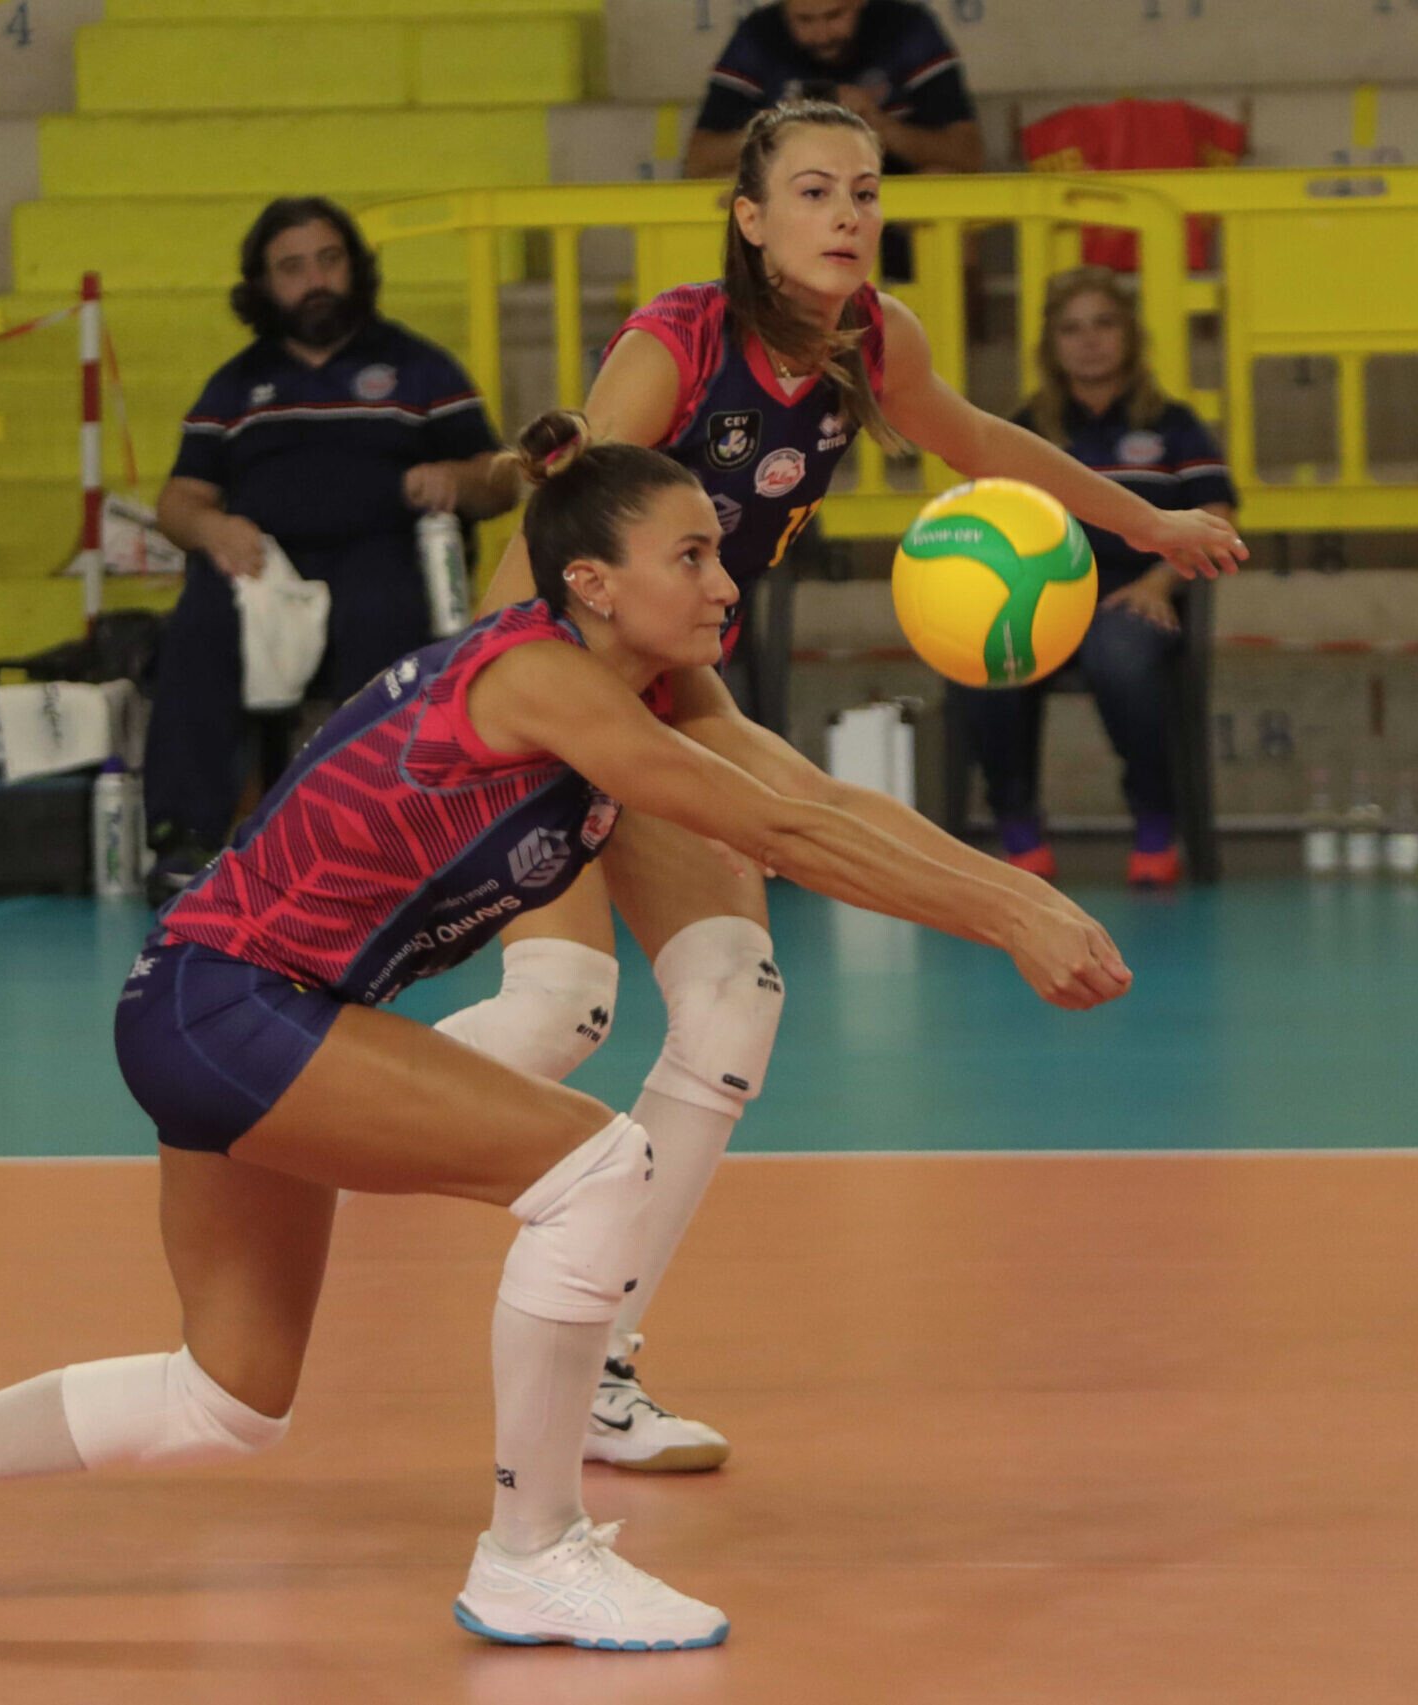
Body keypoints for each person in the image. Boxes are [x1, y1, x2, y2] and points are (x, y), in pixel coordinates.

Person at [0, 409, 1140, 1651]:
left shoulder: (651, 684)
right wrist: (1005, 920)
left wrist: (1020, 895)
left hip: (219, 1008)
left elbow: (820, 802)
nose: (724, 582)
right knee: (601, 1171)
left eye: (720, 554)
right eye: (691, 556)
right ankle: (532, 1551)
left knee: (227, 1401)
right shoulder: (541, 679)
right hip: (227, 1003)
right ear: (591, 583)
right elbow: (780, 833)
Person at [441, 102, 1243, 1475]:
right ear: (750, 217)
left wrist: (1146, 521)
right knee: (560, 1003)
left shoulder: (875, 339)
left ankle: (600, 1367)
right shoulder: (677, 344)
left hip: (673, 686)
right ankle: (302, 1100)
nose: (848, 215)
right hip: (557, 683)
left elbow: (981, 440)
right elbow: (553, 532)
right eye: (814, 191)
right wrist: (492, 701)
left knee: (733, 1002)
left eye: (865, 191)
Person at [145, 196, 521, 905]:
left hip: (383, 549)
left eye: (328, 260)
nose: (314, 280)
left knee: (384, 614)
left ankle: (384, 835)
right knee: (199, 622)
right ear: (263, 285)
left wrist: (456, 477)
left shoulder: (419, 367)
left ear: (355, 267)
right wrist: (211, 529)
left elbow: (501, 479)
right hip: (267, 564)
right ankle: (184, 840)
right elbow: (178, 500)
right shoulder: (235, 385)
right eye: (292, 268)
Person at [950, 267, 1237, 888]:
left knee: (1120, 659)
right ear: (1051, 345)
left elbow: (1217, 517)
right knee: (986, 656)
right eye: (1072, 329)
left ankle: (1155, 825)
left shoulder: (1175, 424)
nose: (1089, 340)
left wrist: (1161, 583)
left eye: (1104, 323)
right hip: (1040, 593)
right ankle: (1020, 832)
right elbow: (988, 517)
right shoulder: (1025, 427)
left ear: (1130, 334)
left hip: (1137, 592)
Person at [684, 0, 984, 280]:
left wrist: (876, 126)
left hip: (891, 204)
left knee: (948, 188)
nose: (822, 34)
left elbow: (969, 156)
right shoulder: (759, 34)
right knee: (726, 192)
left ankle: (952, 319)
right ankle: (741, 315)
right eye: (804, 20)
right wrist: (778, 128)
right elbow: (698, 162)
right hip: (794, 207)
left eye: (835, 16)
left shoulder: (906, 26)